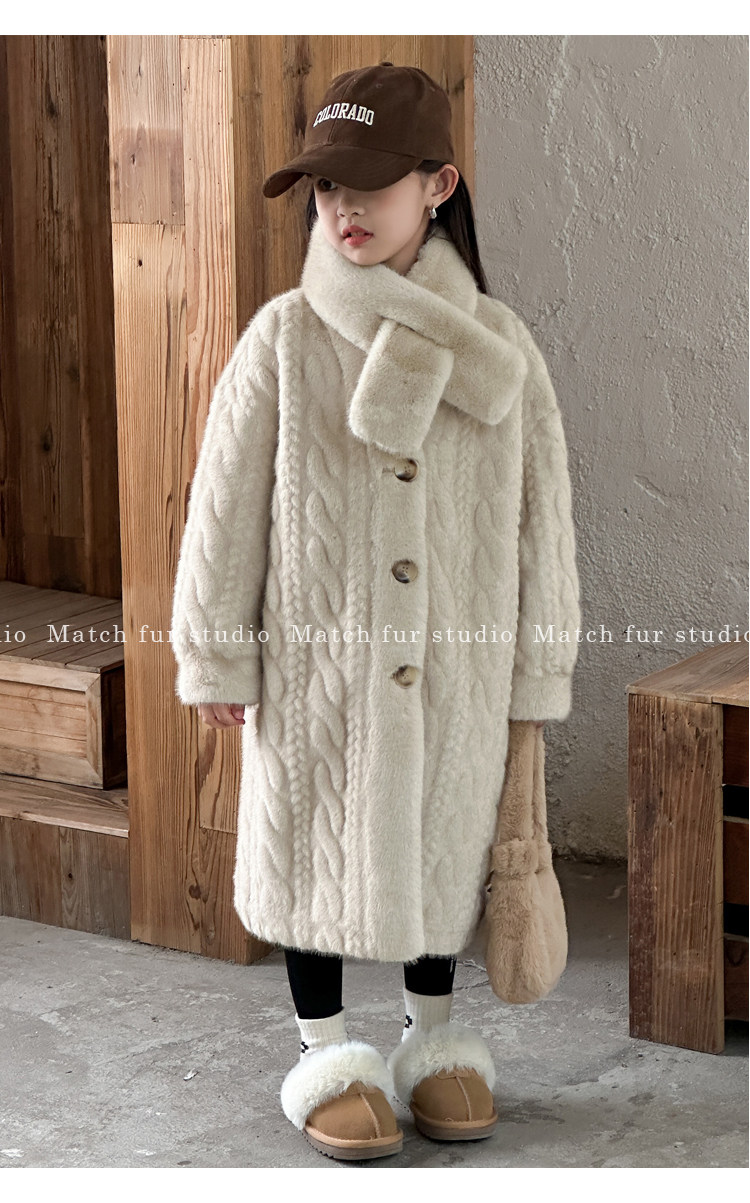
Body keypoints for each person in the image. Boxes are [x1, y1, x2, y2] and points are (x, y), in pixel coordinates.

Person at [170, 62, 581, 1161]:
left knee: (439, 839)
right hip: (317, 669)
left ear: (438, 185)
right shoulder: (284, 339)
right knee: (315, 846)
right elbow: (223, 513)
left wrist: (537, 672)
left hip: (457, 666)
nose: (342, 207)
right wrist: (218, 655)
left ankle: (432, 1040)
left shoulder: (502, 350)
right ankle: (325, 1051)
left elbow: (544, 524)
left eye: (368, 183)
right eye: (325, 187)